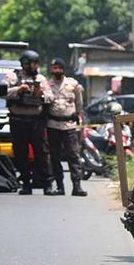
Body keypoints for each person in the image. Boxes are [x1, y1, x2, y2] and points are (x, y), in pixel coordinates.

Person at [2, 50, 54, 195]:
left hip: (36, 121)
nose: (35, 66)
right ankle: (25, 183)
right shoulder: (13, 76)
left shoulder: (41, 79)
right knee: (20, 153)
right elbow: (2, 92)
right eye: (33, 63)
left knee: (42, 153)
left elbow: (51, 97)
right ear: (25, 63)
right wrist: (18, 89)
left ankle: (47, 184)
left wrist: (40, 93)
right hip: (18, 120)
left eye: (37, 63)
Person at [46, 57, 87, 196]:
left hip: (69, 125)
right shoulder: (47, 85)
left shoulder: (72, 84)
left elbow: (79, 103)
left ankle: (77, 186)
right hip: (53, 125)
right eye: (54, 68)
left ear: (63, 69)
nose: (56, 70)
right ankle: (59, 186)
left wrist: (78, 115)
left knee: (73, 155)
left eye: (59, 68)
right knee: (55, 157)